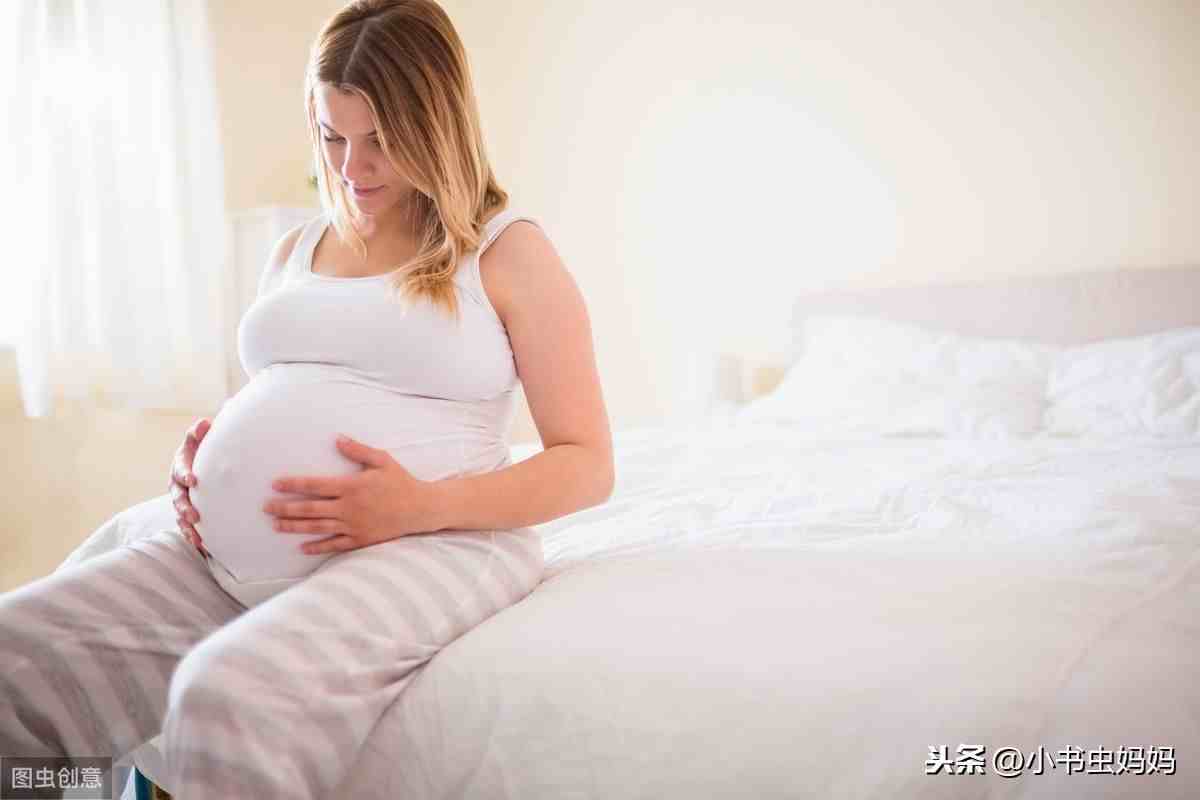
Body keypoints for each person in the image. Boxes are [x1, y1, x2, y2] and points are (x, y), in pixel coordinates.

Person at [0, 1, 614, 797]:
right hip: (223, 559)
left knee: (226, 700)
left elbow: (587, 464)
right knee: (12, 661)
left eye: (382, 142)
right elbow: (275, 399)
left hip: (438, 542)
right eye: (333, 137)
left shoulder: (506, 250)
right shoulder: (297, 247)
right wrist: (202, 460)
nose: (353, 169)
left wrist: (416, 507)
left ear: (439, 124)